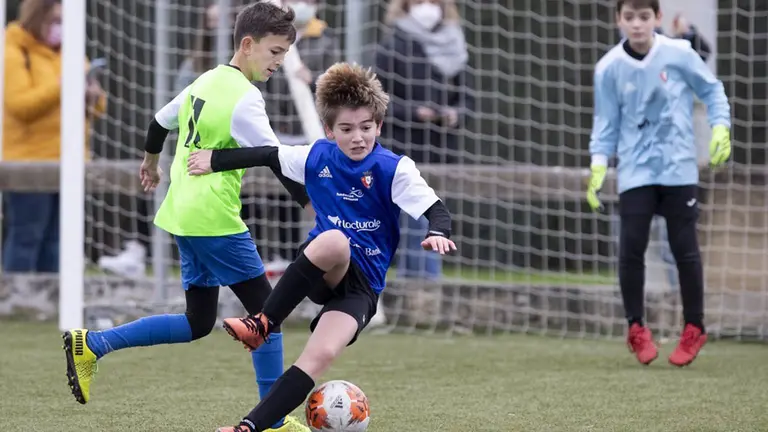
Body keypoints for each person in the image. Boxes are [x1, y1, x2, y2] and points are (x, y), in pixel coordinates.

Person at [61, 4, 310, 431]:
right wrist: (311, 206)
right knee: (267, 316)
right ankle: (273, 420)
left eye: (284, 54)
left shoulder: (205, 80)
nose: (278, 62)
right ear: (247, 45)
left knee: (198, 321)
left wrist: (151, 163)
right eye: (274, 52)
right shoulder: (246, 98)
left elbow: (158, 123)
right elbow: (276, 158)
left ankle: (93, 344)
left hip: (181, 214)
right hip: (215, 219)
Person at [185, 63, 456, 432]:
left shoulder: (395, 169)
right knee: (333, 240)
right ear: (330, 130)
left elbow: (435, 209)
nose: (358, 137)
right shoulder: (316, 157)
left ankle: (248, 426)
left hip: (362, 288)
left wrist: (438, 231)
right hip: (321, 265)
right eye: (346, 129)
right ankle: (262, 323)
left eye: (366, 127)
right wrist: (214, 160)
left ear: (379, 125)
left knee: (321, 354)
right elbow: (268, 154)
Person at [586, 0, 731, 367]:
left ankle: (694, 327)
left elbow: (713, 91)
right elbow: (606, 123)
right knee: (631, 248)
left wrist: (721, 128)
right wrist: (599, 164)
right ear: (619, 19)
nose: (637, 25)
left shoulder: (679, 53)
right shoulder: (608, 68)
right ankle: (636, 327)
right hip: (636, 171)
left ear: (658, 19)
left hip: (679, 168)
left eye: (644, 17)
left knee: (685, 249)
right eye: (629, 17)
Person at [3, 0, 106, 273]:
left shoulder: (70, 52)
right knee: (27, 236)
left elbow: (98, 109)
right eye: (54, 21)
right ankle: (19, 303)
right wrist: (63, 84)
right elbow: (20, 105)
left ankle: (51, 308)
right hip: (29, 164)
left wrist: (92, 96)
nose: (59, 28)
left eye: (63, 22)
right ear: (37, 17)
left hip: (70, 161)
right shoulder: (13, 50)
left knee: (60, 240)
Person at [375, 0, 474, 281]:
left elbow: (468, 98)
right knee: (412, 217)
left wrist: (455, 114)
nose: (428, 7)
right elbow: (377, 99)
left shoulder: (456, 43)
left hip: (443, 149)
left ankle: (426, 285)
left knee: (435, 216)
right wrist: (416, 112)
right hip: (404, 145)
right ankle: (421, 284)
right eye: (420, 1)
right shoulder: (393, 44)